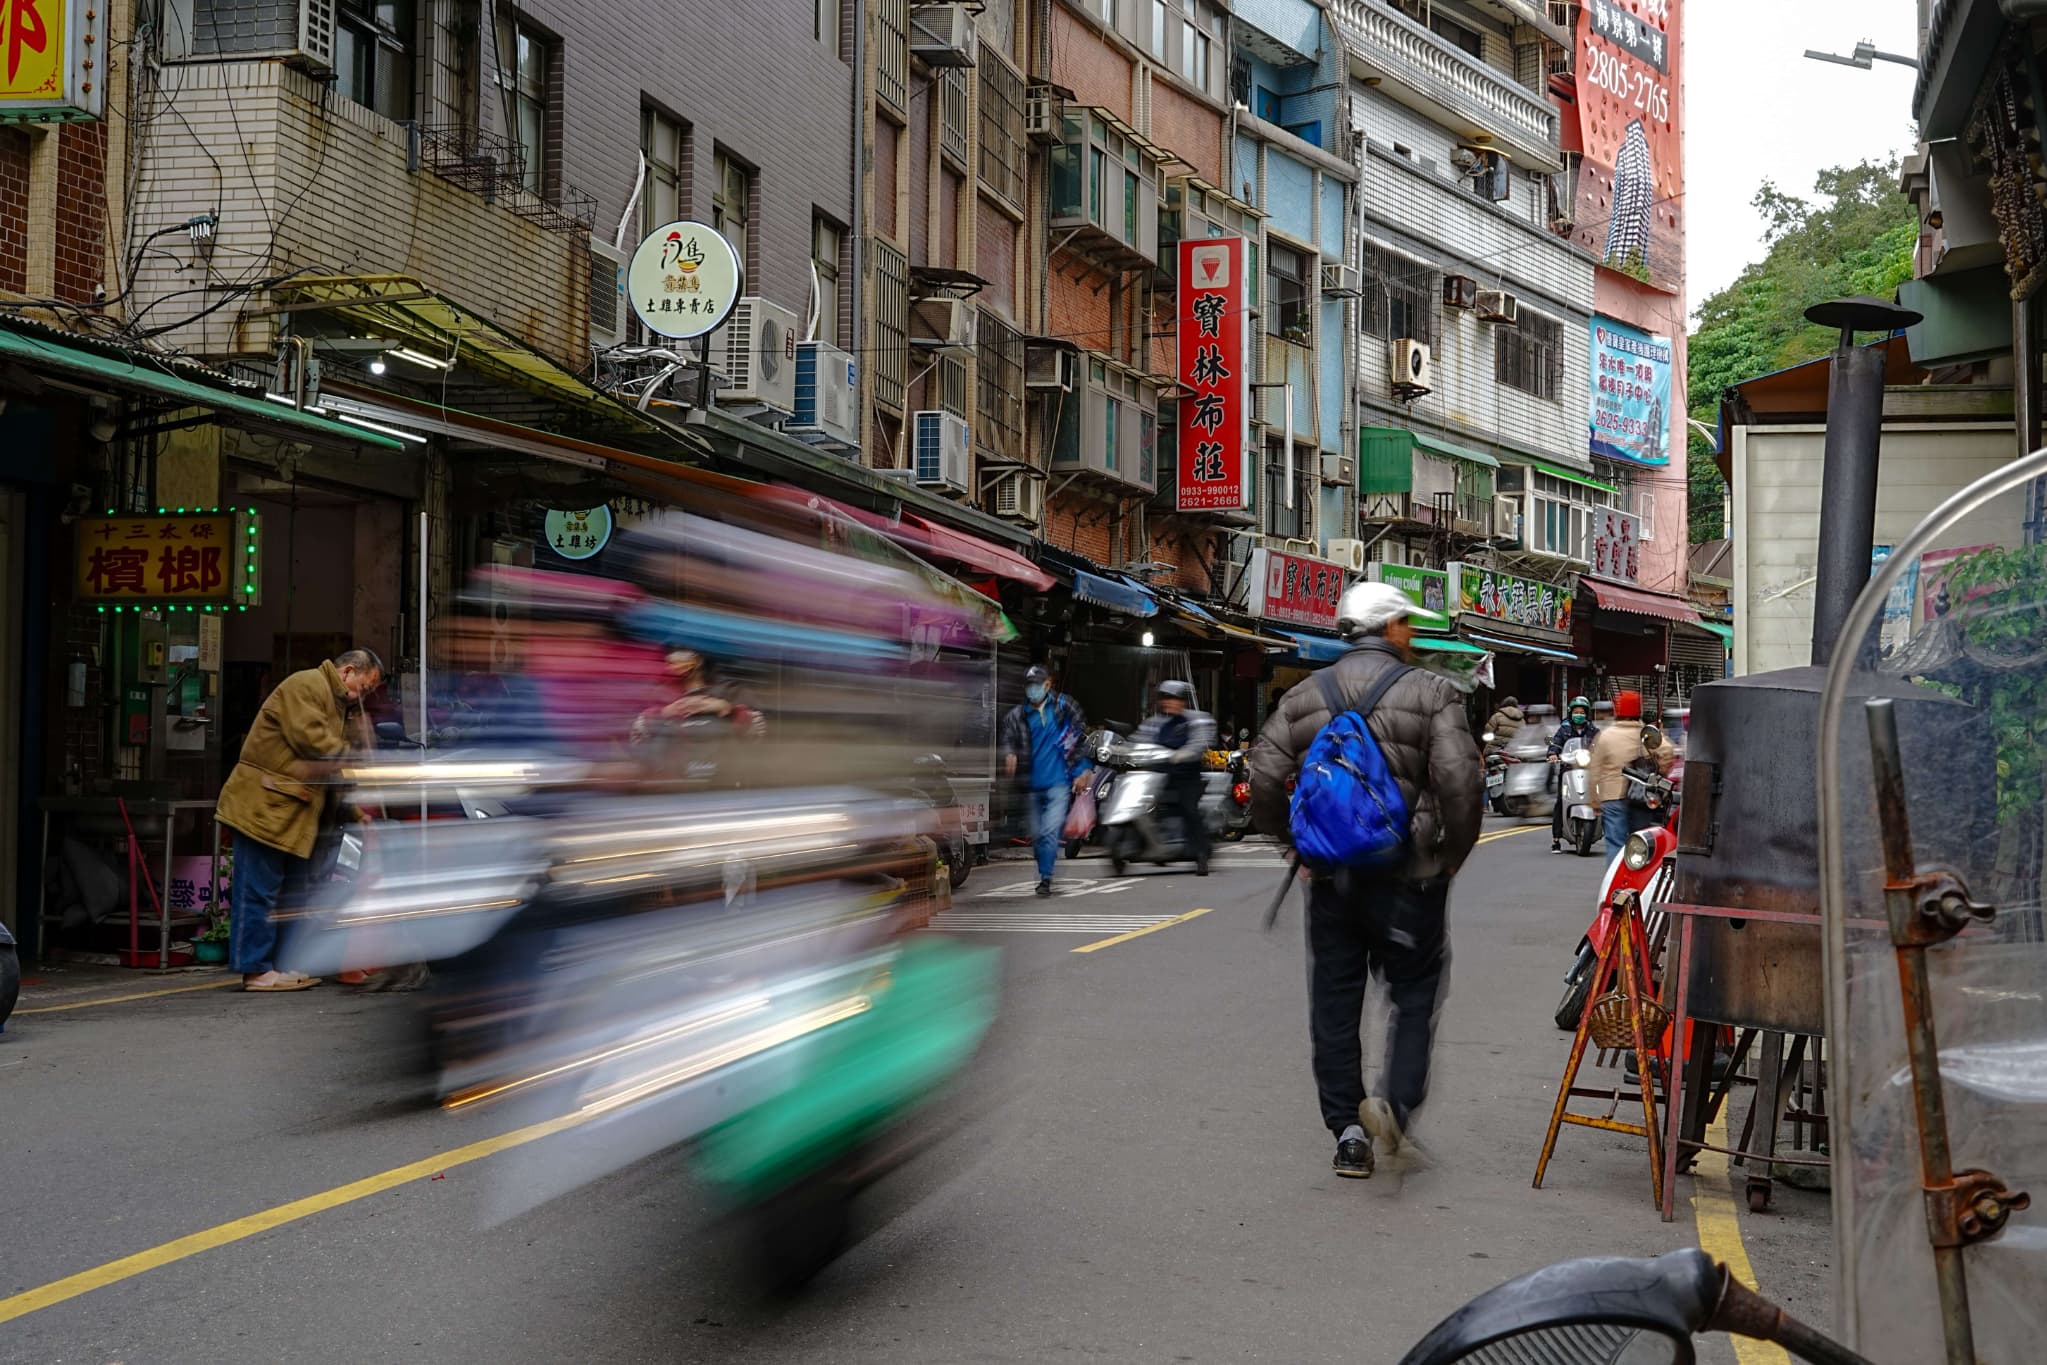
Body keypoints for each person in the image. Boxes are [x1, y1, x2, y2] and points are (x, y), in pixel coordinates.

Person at [1249, 582, 1482, 1179]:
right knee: (1414, 991)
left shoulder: (1302, 694)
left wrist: (1297, 847)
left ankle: (1348, 1132)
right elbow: (1459, 783)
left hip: (1330, 879)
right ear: (1390, 628)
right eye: (1405, 621)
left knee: (1334, 1000)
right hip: (1410, 877)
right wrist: (1451, 854)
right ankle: (1394, 1105)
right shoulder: (1433, 692)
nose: (1411, 631)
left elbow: (1265, 775)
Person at [215, 648, 384, 992]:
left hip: (291, 813)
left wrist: (353, 813)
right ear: (348, 671)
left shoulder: (335, 702)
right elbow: (315, 745)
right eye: (364, 688)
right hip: (266, 806)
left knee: (294, 895)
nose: (363, 697)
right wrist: (358, 755)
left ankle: (285, 964)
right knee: (258, 893)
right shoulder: (306, 685)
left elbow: (326, 774)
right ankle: (256, 970)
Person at [1000, 665, 1092, 897]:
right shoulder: (1018, 715)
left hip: (1059, 784)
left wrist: (1082, 770)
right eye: (1029, 685)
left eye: (1037, 685)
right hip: (1031, 786)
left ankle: (1046, 879)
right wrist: (1009, 754)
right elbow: (1008, 737)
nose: (1033, 690)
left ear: (1048, 685)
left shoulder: (1064, 708)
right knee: (1037, 835)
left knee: (1050, 831)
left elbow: (1080, 740)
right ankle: (1045, 870)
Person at [1135, 680, 1217, 875]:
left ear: (1183, 701)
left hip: (1188, 778)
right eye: (1166, 698)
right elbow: (1138, 740)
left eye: (1175, 699)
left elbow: (1200, 742)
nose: (1170, 703)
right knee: (1140, 805)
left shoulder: (1196, 720)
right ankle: (1156, 847)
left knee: (1189, 809)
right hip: (1160, 777)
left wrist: (1182, 754)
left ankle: (1201, 854)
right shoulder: (1154, 723)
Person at [1588, 690, 1675, 858]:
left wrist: (1594, 801)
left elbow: (1594, 772)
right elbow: (1667, 752)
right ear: (1639, 711)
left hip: (1612, 797)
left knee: (1616, 845)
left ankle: (1616, 883)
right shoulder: (1647, 734)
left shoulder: (1606, 736)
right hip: (1641, 796)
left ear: (1617, 712)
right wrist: (1660, 775)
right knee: (1642, 845)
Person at [1545, 695, 1599, 853]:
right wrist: (1553, 754)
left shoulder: (1593, 730)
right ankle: (1556, 839)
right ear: (1570, 713)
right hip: (1568, 770)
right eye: (1576, 711)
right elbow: (1555, 744)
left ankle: (1604, 831)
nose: (1579, 714)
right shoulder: (1564, 729)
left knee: (1601, 799)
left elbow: (1601, 746)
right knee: (1560, 802)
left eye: (1582, 712)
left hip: (1589, 771)